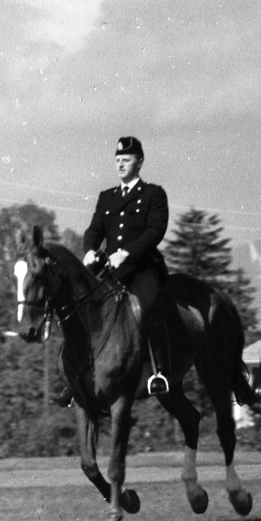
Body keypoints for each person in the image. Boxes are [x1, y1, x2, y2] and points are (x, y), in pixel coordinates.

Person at [80, 136, 171, 398]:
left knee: (149, 305)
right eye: (118, 160)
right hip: (110, 270)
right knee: (83, 306)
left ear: (139, 162)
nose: (121, 165)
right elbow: (95, 229)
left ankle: (159, 372)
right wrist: (89, 250)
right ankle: (77, 374)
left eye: (126, 160)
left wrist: (127, 253)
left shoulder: (154, 194)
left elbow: (156, 230)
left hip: (142, 267)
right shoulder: (107, 197)